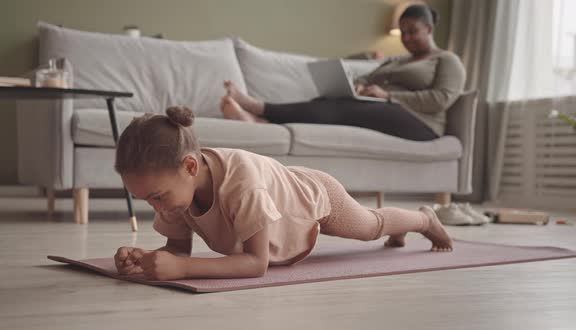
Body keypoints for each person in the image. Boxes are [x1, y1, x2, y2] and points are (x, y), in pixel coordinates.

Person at [113, 106, 454, 281]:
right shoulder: (174, 188)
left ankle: (425, 218)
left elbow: (255, 263)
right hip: (282, 191)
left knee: (370, 227)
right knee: (372, 228)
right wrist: (146, 259)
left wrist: (183, 268)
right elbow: (176, 249)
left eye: (156, 197)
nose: (154, 206)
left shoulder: (242, 184)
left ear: (190, 167)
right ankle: (408, 228)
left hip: (313, 196)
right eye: (145, 199)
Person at [220, 4, 466, 142]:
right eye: (403, 32)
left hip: (422, 124)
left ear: (429, 29)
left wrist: (389, 97)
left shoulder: (447, 60)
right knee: (331, 101)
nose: (407, 38)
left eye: (413, 31)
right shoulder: (397, 60)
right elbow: (366, 78)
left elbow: (441, 99)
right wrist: (358, 86)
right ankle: (261, 121)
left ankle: (257, 108)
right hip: (383, 107)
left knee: (349, 108)